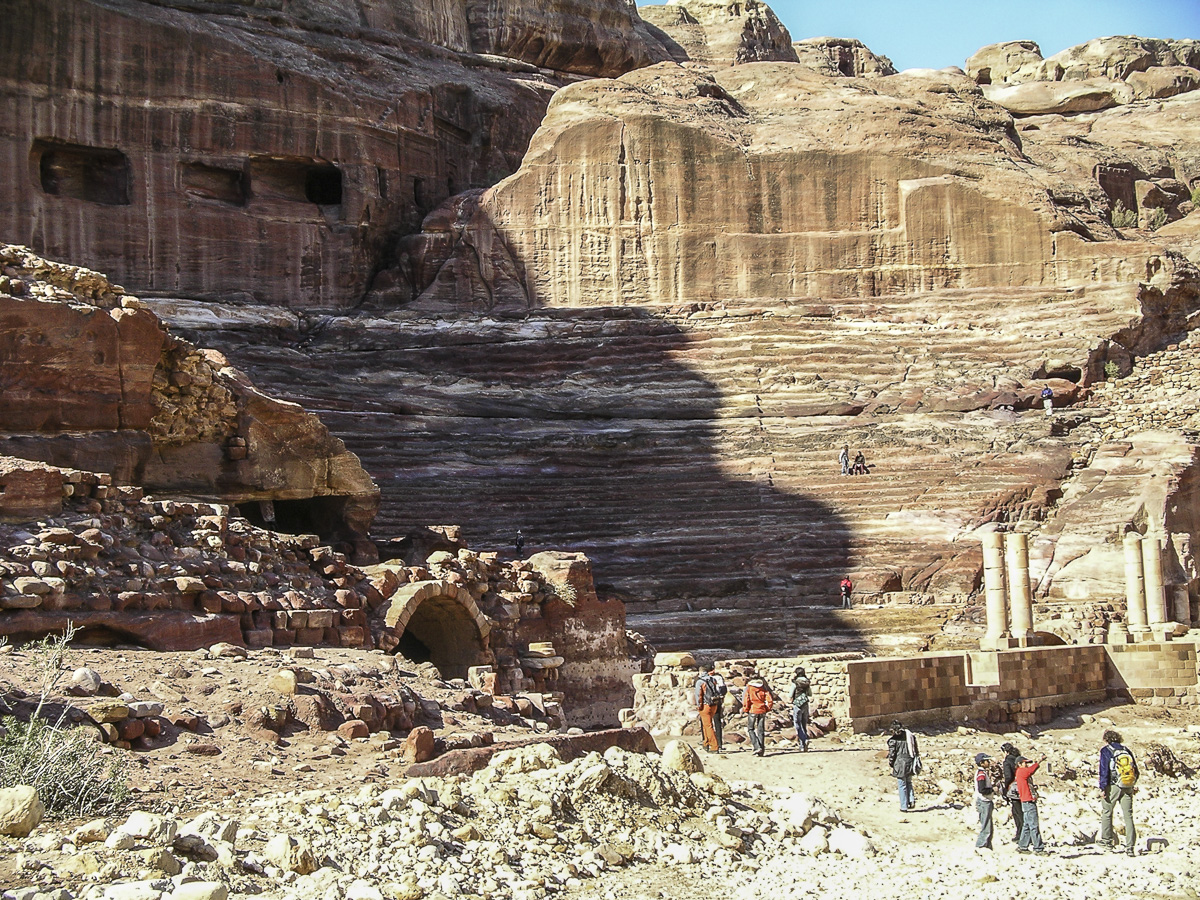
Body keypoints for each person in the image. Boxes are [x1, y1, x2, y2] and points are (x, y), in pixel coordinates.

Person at [1098, 729, 1139, 856]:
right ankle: (1130, 847)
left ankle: (1107, 842)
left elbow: (1104, 770)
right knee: (1128, 816)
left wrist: (1102, 787)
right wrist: (1133, 784)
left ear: (1106, 739)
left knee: (1107, 812)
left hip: (1113, 786)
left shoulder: (1106, 751)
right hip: (1127, 785)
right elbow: (1135, 769)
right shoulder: (1126, 750)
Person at [1014, 755, 1047, 853]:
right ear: (1019, 764)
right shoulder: (1021, 771)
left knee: (1027, 825)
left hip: (1025, 801)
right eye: (1025, 763)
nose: (1027, 765)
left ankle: (1023, 845)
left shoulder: (1020, 773)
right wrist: (1039, 761)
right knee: (1033, 825)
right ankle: (1038, 848)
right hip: (1028, 801)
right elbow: (1031, 770)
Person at [886, 720, 920, 812]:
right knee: (909, 782)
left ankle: (903, 806)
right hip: (910, 762)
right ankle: (911, 800)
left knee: (902, 785)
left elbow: (892, 754)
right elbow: (915, 750)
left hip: (900, 764)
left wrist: (891, 763)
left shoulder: (893, 741)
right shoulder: (910, 737)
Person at [693, 665, 722, 754]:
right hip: (714, 704)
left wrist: (699, 705)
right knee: (706, 725)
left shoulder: (700, 682)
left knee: (708, 726)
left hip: (705, 705)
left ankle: (714, 746)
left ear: (701, 672)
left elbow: (699, 695)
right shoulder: (713, 679)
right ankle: (706, 743)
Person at [742, 675, 773, 757]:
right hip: (762, 710)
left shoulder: (749, 688)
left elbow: (746, 700)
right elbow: (769, 699)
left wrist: (746, 709)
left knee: (750, 729)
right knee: (761, 731)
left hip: (753, 710)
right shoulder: (763, 688)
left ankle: (756, 746)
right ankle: (761, 750)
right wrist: (767, 708)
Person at [1001, 742, 1024, 843]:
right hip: (1023, 787)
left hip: (1014, 789)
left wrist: (1006, 788)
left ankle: (1021, 835)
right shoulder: (1019, 759)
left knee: (1017, 812)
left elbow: (1008, 776)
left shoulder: (1007, 761)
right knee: (1023, 812)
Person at [786, 667, 812, 751]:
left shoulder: (795, 683)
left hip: (797, 704)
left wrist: (790, 700)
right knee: (804, 724)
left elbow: (790, 695)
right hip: (805, 704)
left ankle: (804, 739)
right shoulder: (807, 682)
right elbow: (810, 693)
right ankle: (803, 746)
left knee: (797, 724)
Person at [974, 752, 995, 849]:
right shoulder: (981, 774)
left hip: (986, 801)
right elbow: (982, 790)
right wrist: (992, 790)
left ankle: (987, 845)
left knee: (988, 825)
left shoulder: (983, 773)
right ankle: (981, 845)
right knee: (986, 826)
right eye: (987, 761)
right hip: (984, 802)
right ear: (982, 763)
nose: (989, 762)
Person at [710, 669, 728, 751]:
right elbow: (724, 690)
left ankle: (708, 742)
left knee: (707, 723)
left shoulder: (703, 678)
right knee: (717, 722)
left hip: (707, 702)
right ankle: (719, 743)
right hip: (717, 701)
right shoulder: (719, 678)